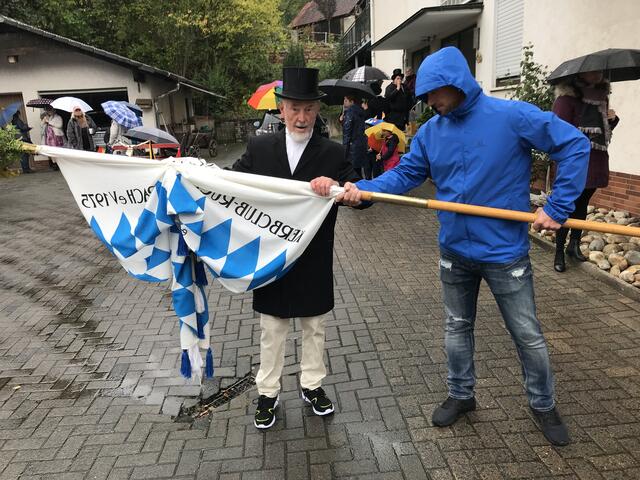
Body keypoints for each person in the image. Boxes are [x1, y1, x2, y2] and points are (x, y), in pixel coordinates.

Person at [321, 47, 591, 446]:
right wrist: (364, 189)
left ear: (455, 83)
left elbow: (574, 145)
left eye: (433, 93)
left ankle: (543, 404)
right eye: (425, 96)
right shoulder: (432, 132)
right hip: (455, 251)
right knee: (456, 327)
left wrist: (558, 206)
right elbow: (406, 175)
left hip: (504, 254)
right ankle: (461, 395)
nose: (429, 102)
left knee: (527, 334)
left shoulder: (511, 116)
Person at [231, 67, 360, 430]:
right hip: (272, 256)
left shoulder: (333, 152)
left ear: (317, 111)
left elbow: (360, 192)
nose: (302, 118)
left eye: (309, 109)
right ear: (281, 109)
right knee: (272, 328)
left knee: (314, 326)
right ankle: (268, 392)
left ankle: (312, 385)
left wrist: (346, 188)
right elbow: (229, 181)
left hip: (314, 256)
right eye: (294, 109)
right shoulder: (259, 148)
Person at [551, 71, 619, 272]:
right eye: (593, 72)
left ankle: (574, 245)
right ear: (581, 75)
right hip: (574, 161)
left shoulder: (601, 98)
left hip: (596, 159)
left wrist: (611, 119)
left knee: (582, 204)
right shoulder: (566, 99)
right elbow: (558, 130)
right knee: (567, 206)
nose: (598, 75)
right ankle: (558, 251)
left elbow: (603, 132)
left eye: (600, 72)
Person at [342, 95, 368, 179]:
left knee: (352, 172)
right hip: (361, 143)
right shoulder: (361, 111)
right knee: (358, 169)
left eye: (346, 100)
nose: (344, 102)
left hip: (352, 145)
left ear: (352, 102)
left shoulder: (350, 112)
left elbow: (347, 130)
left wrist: (344, 148)